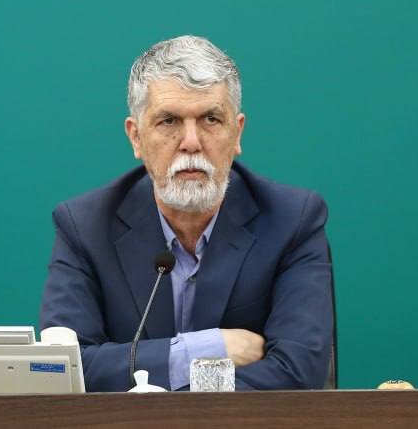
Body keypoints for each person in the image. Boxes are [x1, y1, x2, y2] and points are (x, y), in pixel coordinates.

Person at [39, 35, 333, 392]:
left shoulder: (292, 220)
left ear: (237, 133)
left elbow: (298, 372)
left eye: (211, 119)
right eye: (169, 121)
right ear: (136, 137)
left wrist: (159, 390)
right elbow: (64, 370)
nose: (191, 142)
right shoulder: (85, 226)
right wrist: (206, 349)